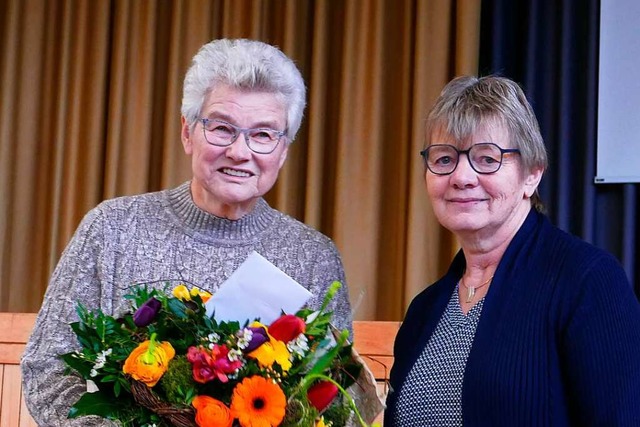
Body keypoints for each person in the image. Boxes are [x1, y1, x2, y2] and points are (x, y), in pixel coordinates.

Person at [21, 38, 353, 426]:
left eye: (263, 134)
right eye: (222, 128)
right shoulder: (112, 228)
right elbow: (48, 368)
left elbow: (336, 400)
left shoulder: (313, 256)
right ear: (187, 132)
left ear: (283, 150)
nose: (240, 151)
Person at [385, 75, 640, 426]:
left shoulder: (587, 281)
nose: (461, 176)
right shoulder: (424, 310)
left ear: (532, 174)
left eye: (486, 158)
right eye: (444, 159)